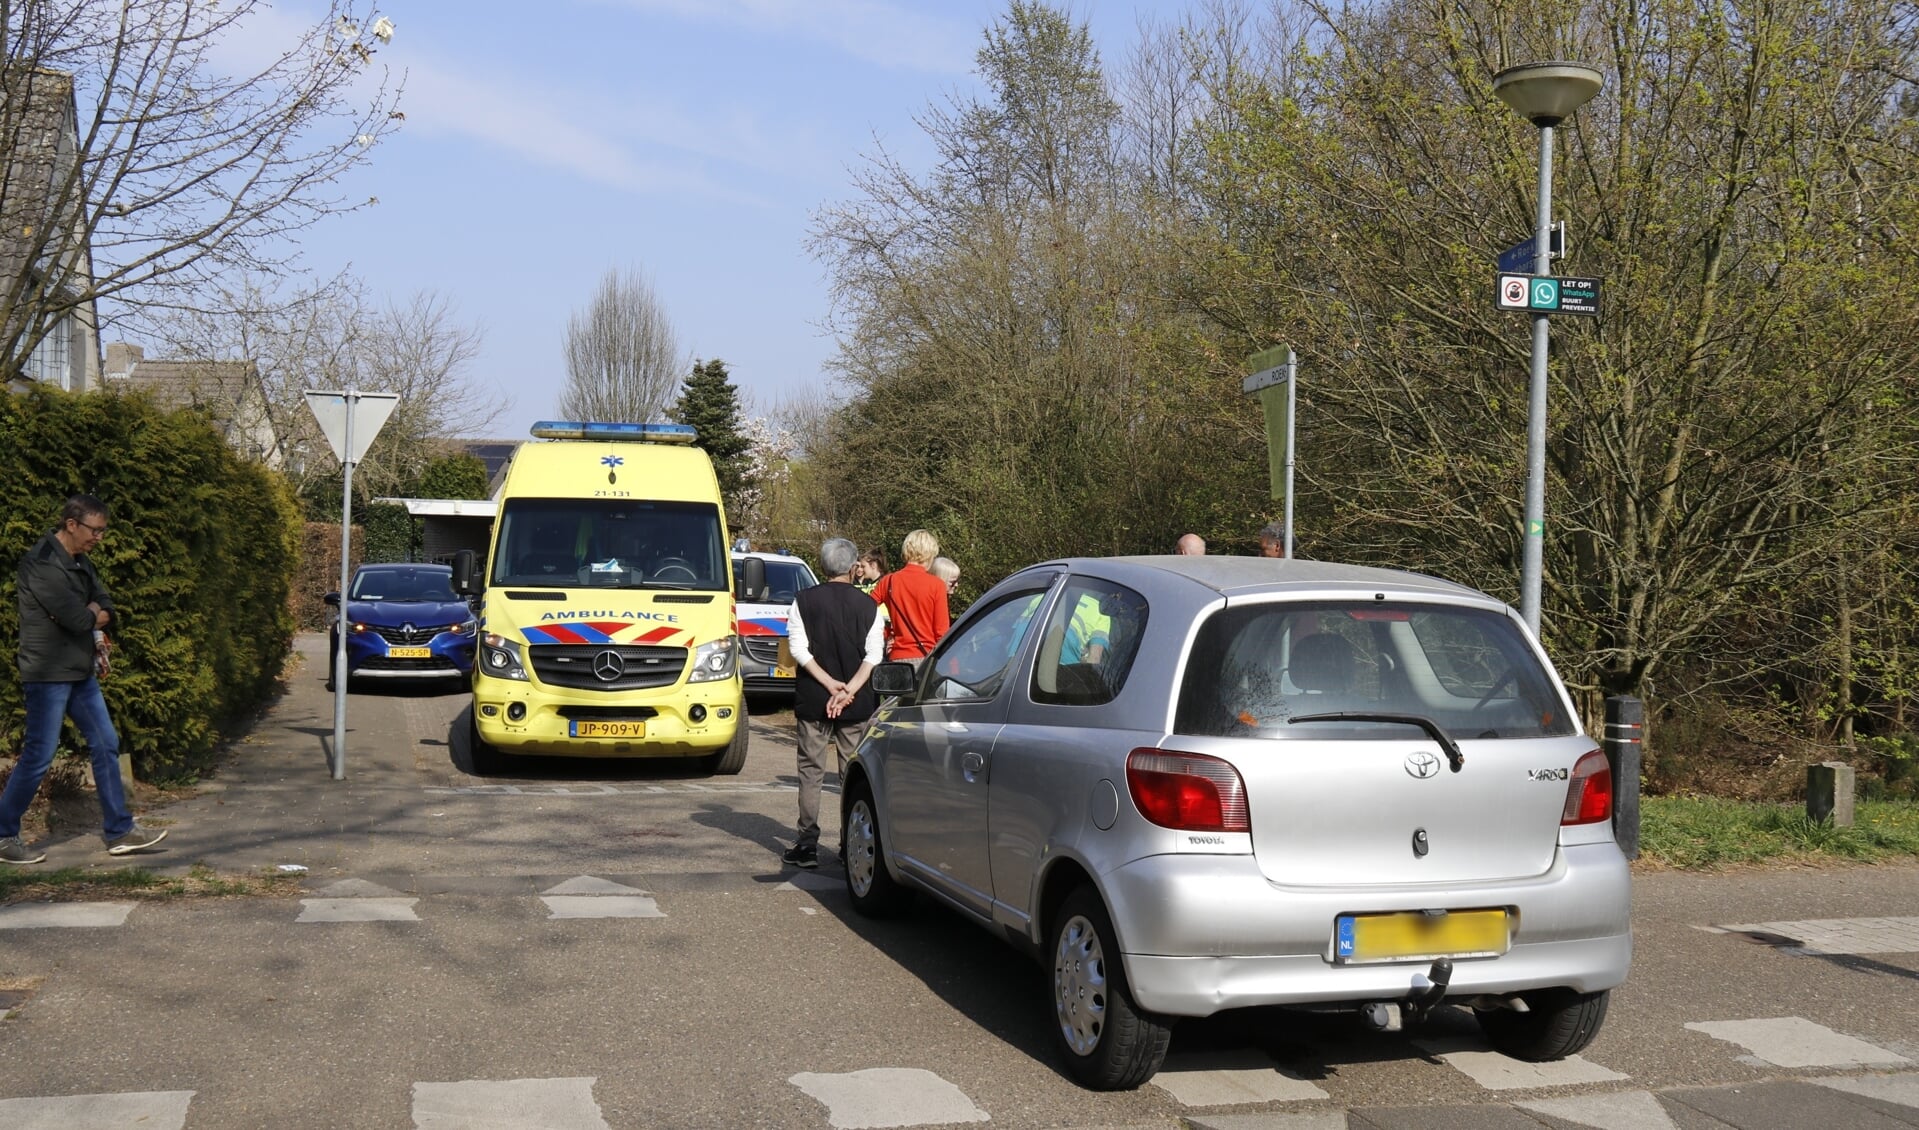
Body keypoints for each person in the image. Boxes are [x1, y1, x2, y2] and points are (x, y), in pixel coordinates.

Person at [1, 495, 168, 866]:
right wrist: (92, 612)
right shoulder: (40, 564)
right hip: (47, 674)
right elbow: (78, 619)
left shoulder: (81, 561)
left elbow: (104, 603)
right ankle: (3, 835)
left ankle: (120, 831)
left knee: (106, 743)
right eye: (96, 530)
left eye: (104, 531)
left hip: (79, 671)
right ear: (72, 524)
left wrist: (93, 610)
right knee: (39, 756)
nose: (100, 538)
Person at [782, 537, 883, 870]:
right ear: (854, 567)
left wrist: (828, 684)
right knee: (851, 775)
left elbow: (799, 650)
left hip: (814, 698)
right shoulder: (870, 606)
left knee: (810, 772)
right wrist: (849, 690)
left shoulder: (803, 601)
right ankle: (848, 844)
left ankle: (807, 844)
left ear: (823, 565)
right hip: (856, 702)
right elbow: (873, 657)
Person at [869, 529, 950, 667]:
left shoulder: (888, 581)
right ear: (929, 554)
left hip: (897, 658)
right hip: (926, 657)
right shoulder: (937, 585)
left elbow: (864, 611)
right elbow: (941, 632)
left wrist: (885, 633)